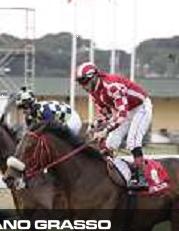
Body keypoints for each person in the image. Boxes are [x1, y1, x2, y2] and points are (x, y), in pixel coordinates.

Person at [75, 62, 151, 190]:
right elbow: (106, 116)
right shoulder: (94, 93)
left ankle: (141, 178)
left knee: (132, 141)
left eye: (84, 81)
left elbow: (122, 113)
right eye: (79, 82)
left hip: (140, 107)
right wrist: (94, 126)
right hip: (127, 110)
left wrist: (105, 130)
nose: (82, 85)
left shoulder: (111, 86)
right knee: (110, 143)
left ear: (94, 77)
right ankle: (116, 173)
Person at [15, 87, 82, 135]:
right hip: (60, 121)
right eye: (21, 108)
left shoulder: (43, 109)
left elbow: (51, 125)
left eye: (24, 107)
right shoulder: (29, 117)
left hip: (71, 119)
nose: (23, 111)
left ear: (31, 104)